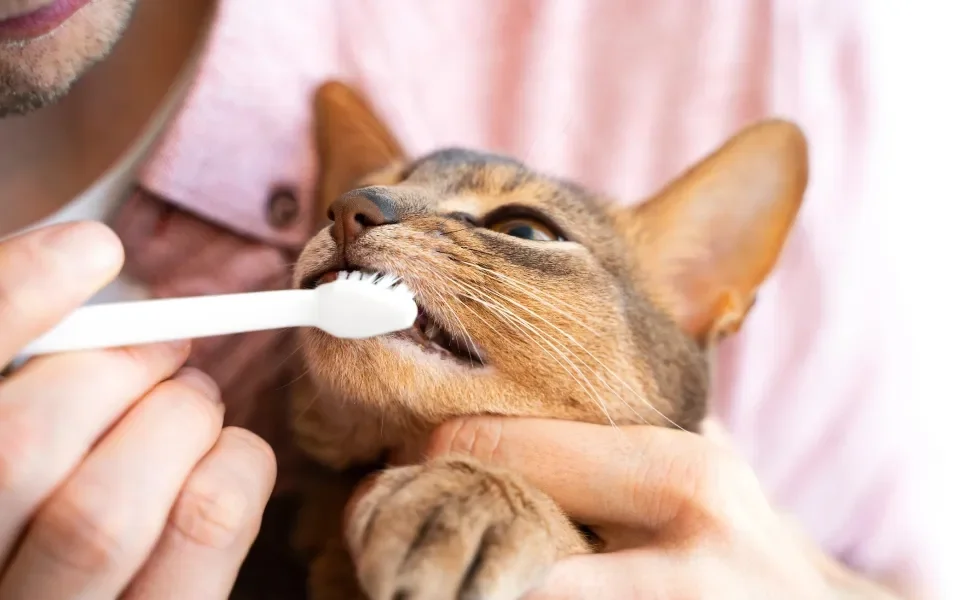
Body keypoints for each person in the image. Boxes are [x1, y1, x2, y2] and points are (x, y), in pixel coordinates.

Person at [0, 0, 936, 598]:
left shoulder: (763, 39)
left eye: (523, 230)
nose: (359, 213)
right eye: (363, 195)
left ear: (698, 302)